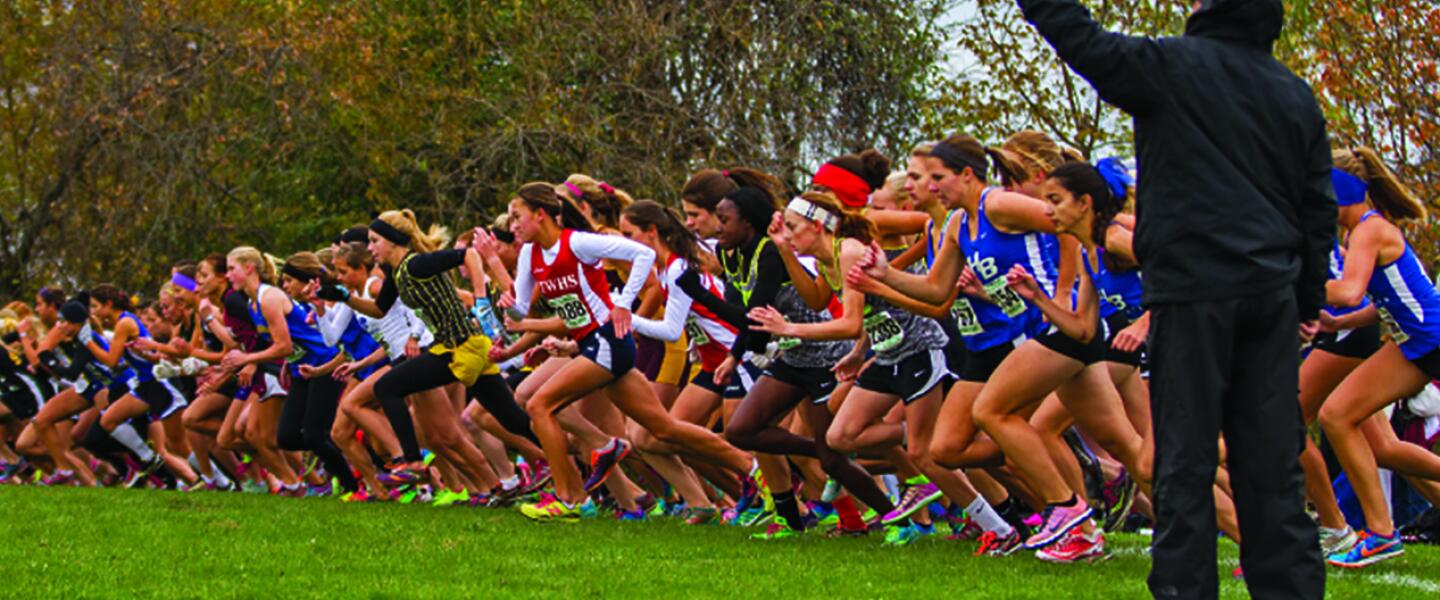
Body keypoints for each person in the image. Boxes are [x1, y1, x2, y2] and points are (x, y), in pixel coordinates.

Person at [1017, 0, 1334, 597]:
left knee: (1182, 463)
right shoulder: (1294, 93)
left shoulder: (1169, 66)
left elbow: (1082, 41)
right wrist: (1307, 298)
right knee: (1271, 466)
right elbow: (1315, 204)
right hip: (1270, 291)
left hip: (1194, 289)